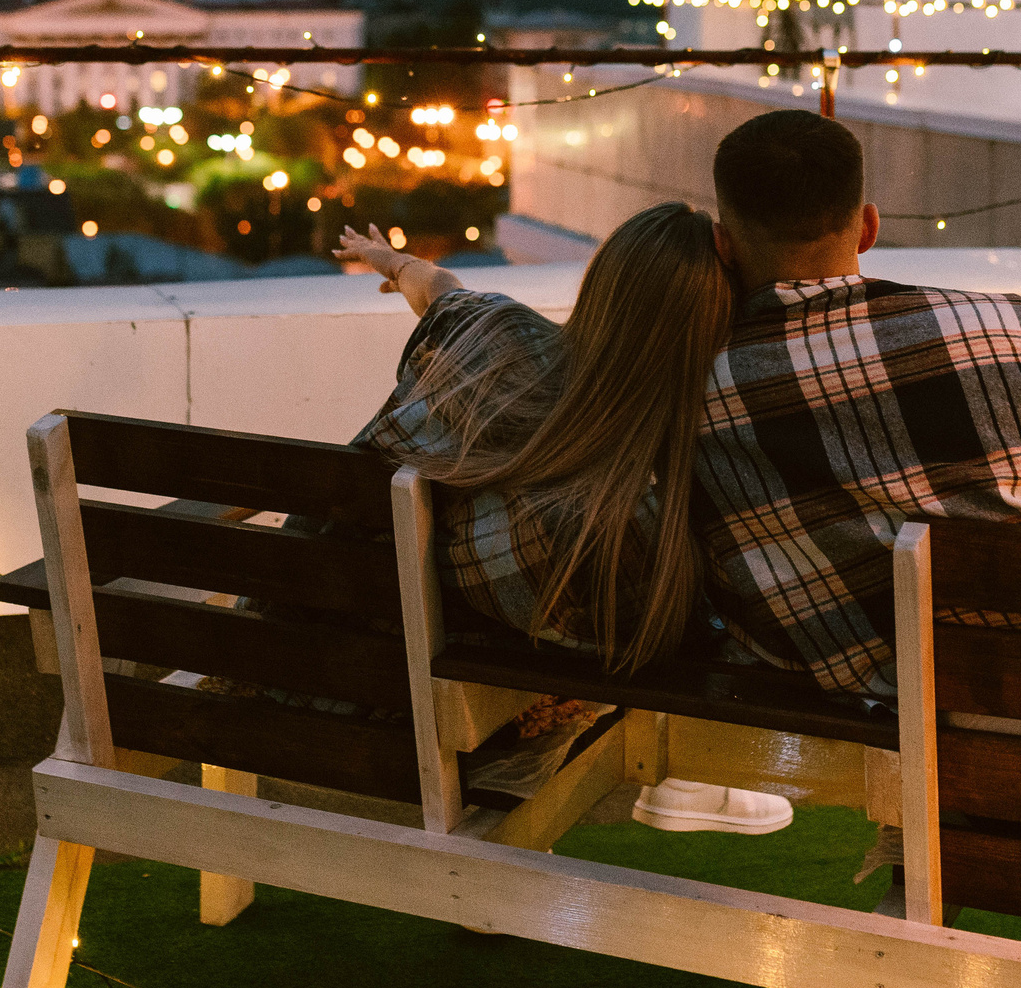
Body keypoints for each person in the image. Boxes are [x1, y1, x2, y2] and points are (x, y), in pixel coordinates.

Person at [695, 108, 1021, 700]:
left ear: (724, 246)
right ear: (867, 227)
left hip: (949, 727)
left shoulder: (703, 396)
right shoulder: (1020, 326)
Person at [335, 205, 795, 834]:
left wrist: (389, 260)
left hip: (322, 678)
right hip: (459, 739)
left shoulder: (491, 334)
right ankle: (693, 781)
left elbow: (440, 289)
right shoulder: (662, 490)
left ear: (602, 282)